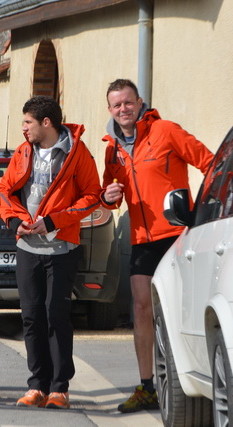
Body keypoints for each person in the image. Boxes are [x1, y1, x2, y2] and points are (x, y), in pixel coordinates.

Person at [100, 79, 214, 413]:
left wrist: (209, 208)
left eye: (128, 103)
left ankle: (193, 376)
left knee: (180, 307)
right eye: (117, 105)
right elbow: (109, 195)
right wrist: (108, 197)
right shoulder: (112, 149)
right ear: (110, 110)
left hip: (177, 234)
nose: (123, 109)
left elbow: (209, 161)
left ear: (140, 102)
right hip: (141, 239)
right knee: (141, 308)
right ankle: (147, 385)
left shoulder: (165, 131)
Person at [1, 96, 101, 410]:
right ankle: (37, 387)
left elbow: (91, 196)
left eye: (28, 122)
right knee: (31, 317)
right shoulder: (22, 151)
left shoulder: (76, 153)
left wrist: (55, 221)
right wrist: (15, 221)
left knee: (55, 316)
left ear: (46, 123)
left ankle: (60, 389)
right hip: (27, 247)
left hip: (62, 248)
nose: (23, 128)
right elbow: (4, 190)